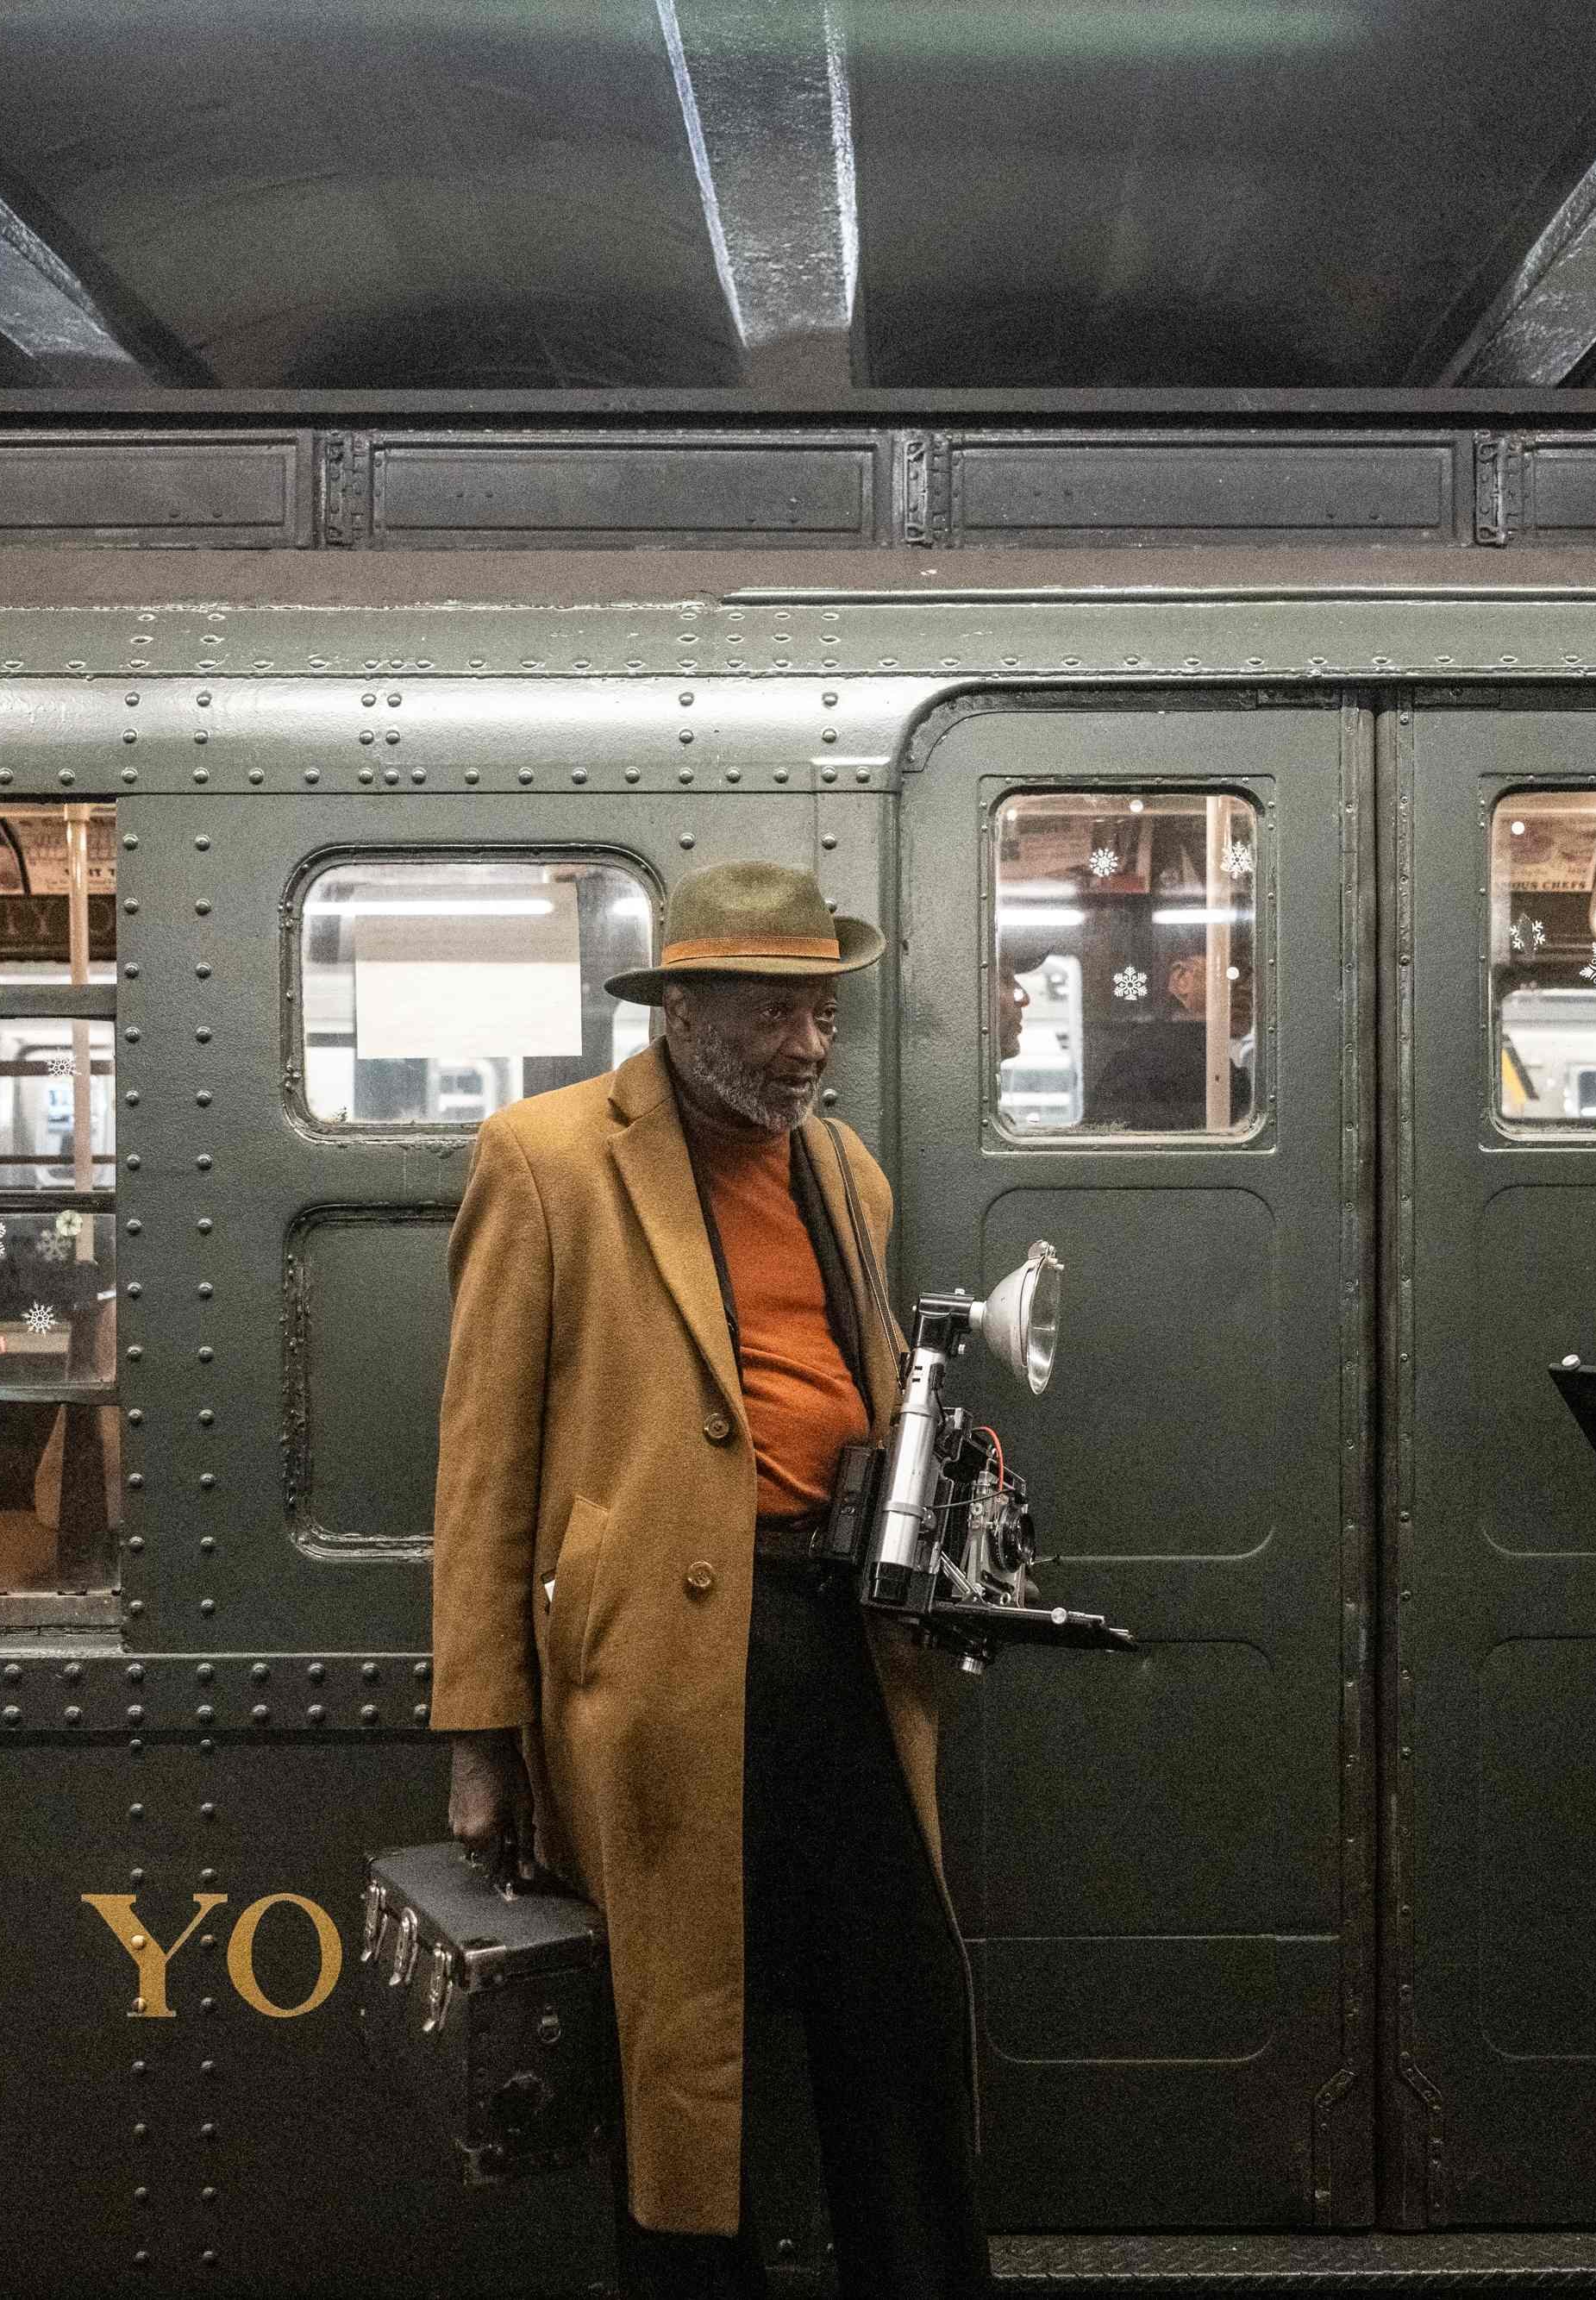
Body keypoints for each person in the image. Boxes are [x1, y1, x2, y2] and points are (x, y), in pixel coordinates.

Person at [429, 860, 987, 2299]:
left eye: (820, 1014)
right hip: (668, 1678)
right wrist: (483, 1738)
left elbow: (844, 1389)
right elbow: (484, 1469)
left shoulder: (844, 1172)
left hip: (845, 1645)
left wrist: (930, 1469)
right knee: (684, 2053)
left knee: (900, 2024)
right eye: (768, 1014)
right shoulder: (546, 1159)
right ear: (678, 1007)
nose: (804, 1046)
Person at [1084, 947, 1253, 1128]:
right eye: (1233, 973)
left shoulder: (1156, 1044)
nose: (1248, 988)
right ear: (1182, 979)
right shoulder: (1164, 1053)